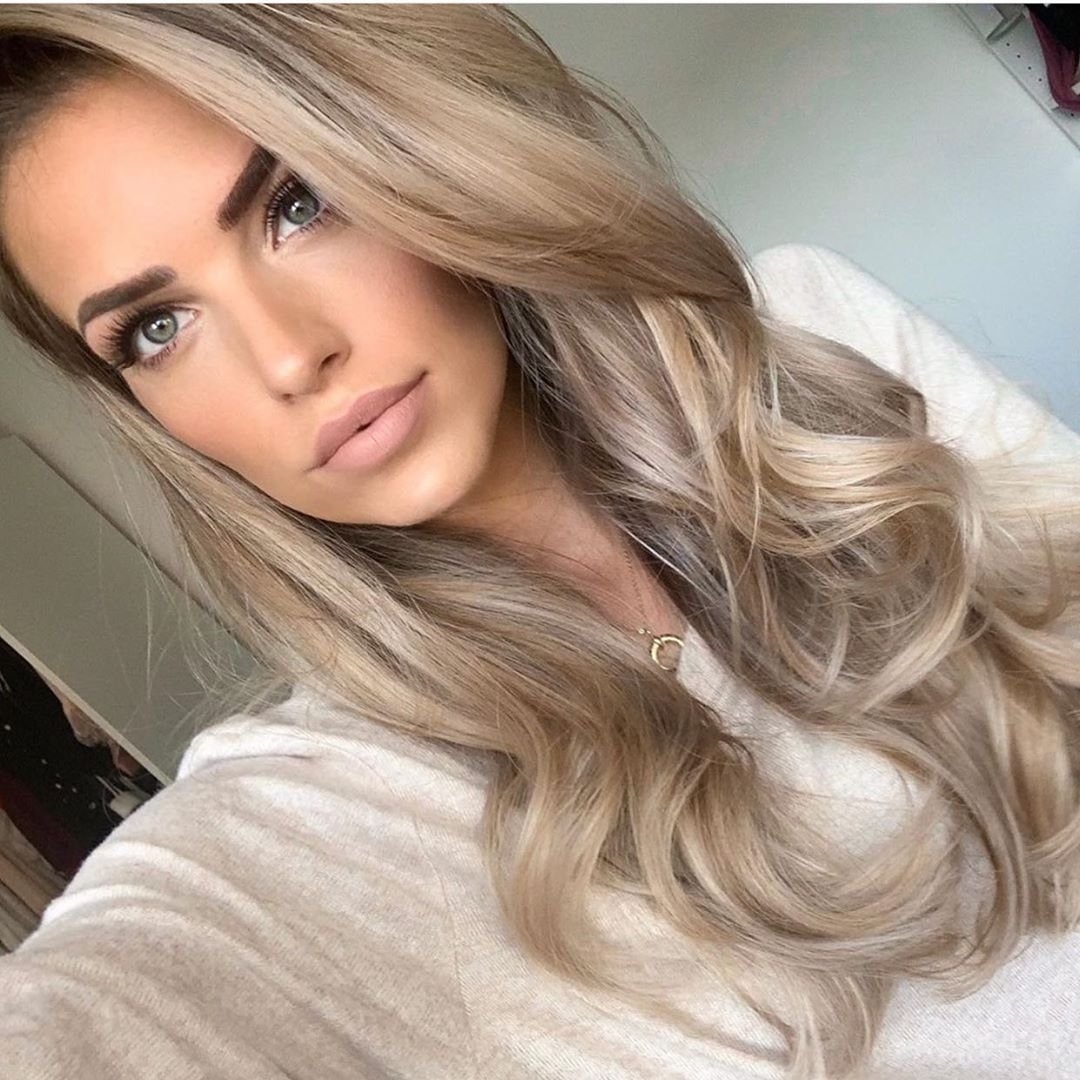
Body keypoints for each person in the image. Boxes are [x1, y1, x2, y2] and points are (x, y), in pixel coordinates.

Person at [0, 6, 1077, 1078]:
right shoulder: (333, 805)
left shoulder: (817, 344)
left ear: (417, 152)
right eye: (157, 329)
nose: (287, 358)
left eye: (297, 203)